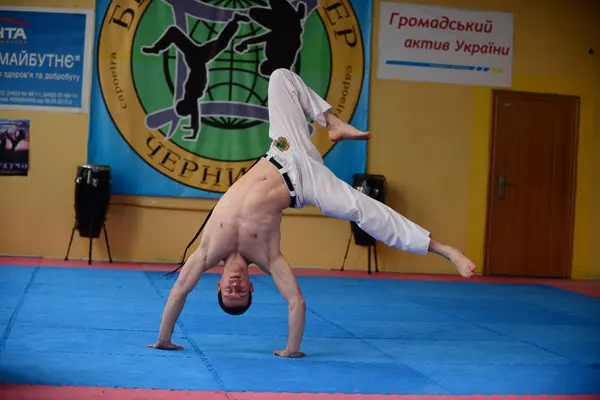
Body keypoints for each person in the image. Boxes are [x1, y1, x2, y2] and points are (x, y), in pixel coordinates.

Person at [148, 68, 476, 358]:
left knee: (279, 77)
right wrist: (291, 349)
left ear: (218, 286)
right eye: (240, 293)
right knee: (365, 210)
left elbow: (179, 290)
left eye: (229, 292)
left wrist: (164, 339)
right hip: (305, 184)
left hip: (282, 151)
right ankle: (445, 250)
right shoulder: (267, 257)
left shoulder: (206, 252)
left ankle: (333, 123)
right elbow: (296, 302)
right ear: (251, 288)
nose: (235, 288)